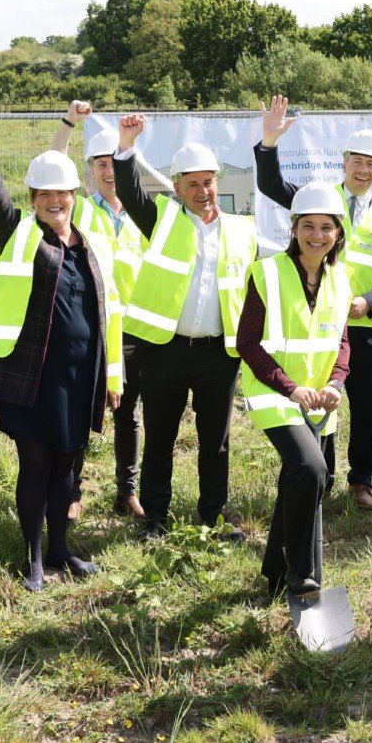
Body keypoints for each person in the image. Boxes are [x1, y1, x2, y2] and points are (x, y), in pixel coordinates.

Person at [0, 110, 123, 588]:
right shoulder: (19, 234)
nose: (56, 201)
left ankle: (60, 549)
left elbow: (106, 311)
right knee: (36, 464)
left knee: (70, 465)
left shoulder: (89, 242)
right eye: (45, 195)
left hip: (80, 376)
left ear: (75, 196)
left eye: (63, 193)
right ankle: (32, 556)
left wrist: (112, 375)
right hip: (32, 375)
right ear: (33, 200)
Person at [252, 97, 372, 510]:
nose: (363, 170)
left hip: (364, 330)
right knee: (321, 401)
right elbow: (271, 186)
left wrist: (369, 302)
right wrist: (268, 144)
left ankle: (363, 481)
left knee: (364, 408)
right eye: (356, 161)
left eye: (371, 164)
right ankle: (320, 476)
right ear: (344, 163)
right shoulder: (320, 199)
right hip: (316, 329)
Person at [110, 114, 262, 537]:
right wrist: (126, 145)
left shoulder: (241, 230)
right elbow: (128, 189)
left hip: (219, 352)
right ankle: (155, 518)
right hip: (166, 350)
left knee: (215, 442)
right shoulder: (161, 220)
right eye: (192, 183)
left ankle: (212, 517)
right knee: (161, 440)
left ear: (218, 183)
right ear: (176, 187)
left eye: (208, 181)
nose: (203, 191)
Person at [52, 100, 174, 519]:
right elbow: (53, 165)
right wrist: (70, 125)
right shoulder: (79, 210)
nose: (108, 171)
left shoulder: (145, 214)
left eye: (114, 163)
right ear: (87, 171)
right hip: (92, 329)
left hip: (136, 330)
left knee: (130, 413)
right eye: (99, 164)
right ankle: (71, 492)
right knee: (82, 411)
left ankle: (128, 491)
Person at [238, 184, 353, 600]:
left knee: (302, 478)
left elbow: (342, 341)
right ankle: (302, 574)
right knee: (311, 470)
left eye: (326, 227)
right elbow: (247, 342)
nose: (317, 235)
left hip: (320, 400)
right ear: (294, 229)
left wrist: (336, 382)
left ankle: (273, 570)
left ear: (338, 233)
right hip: (275, 395)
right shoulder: (267, 273)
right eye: (308, 226)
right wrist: (291, 389)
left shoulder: (341, 278)